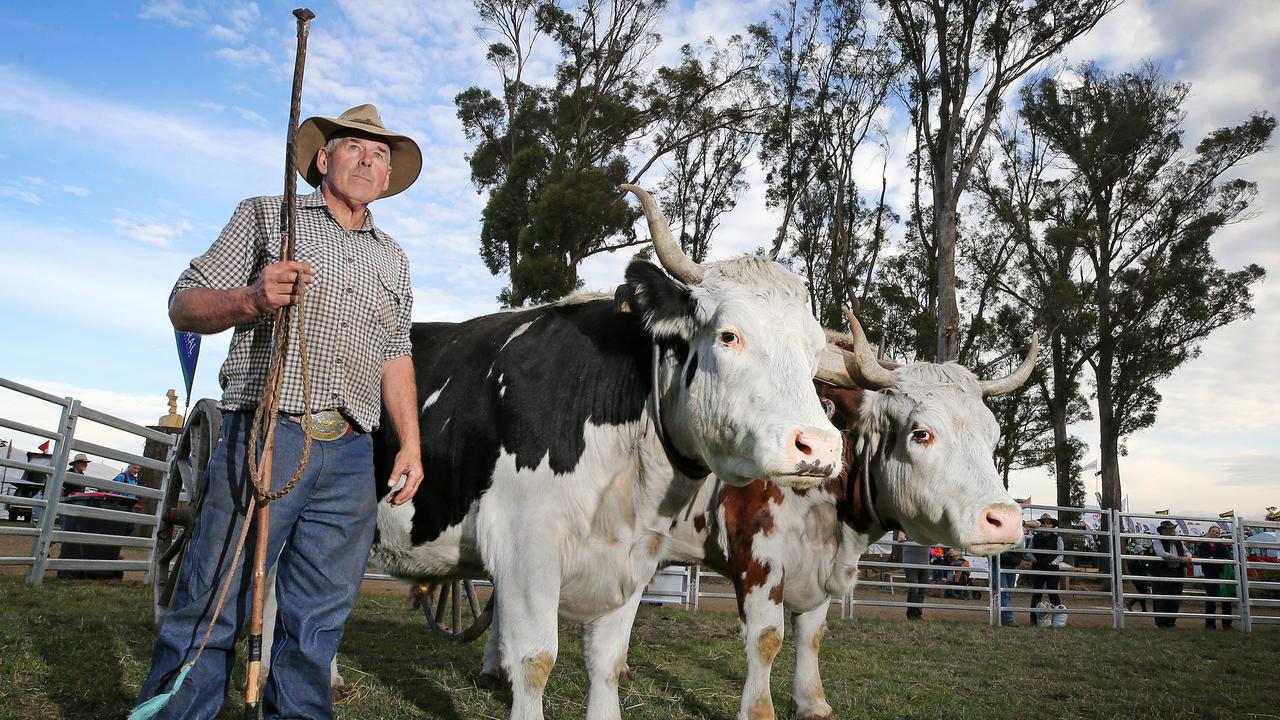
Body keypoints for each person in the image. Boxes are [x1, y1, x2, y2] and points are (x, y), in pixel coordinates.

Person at [135, 104, 426, 720]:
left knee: (317, 623)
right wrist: (252, 296)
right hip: (270, 431)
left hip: (351, 453)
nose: (369, 161)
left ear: (387, 176)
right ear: (324, 159)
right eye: (354, 147)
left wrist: (411, 442)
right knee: (214, 600)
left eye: (380, 155)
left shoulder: (393, 258)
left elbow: (395, 352)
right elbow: (182, 304)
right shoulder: (270, 215)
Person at [1150, 520, 1193, 628]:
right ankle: (1161, 623)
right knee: (1160, 598)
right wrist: (1180, 558)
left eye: (1172, 529)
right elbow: (1161, 553)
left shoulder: (1178, 541)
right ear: (1164, 531)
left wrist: (1188, 557)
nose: (1172, 531)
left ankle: (1171, 622)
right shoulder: (1158, 539)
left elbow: (1187, 551)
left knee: (1175, 598)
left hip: (1176, 571)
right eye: (1169, 529)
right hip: (1161, 572)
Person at [998, 517, 1040, 626]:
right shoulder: (1001, 524)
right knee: (1004, 591)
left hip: (1012, 562)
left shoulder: (1019, 524)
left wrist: (1022, 523)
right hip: (998, 561)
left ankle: (1003, 614)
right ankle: (1008, 619)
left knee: (1008, 591)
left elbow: (1037, 524)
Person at [1194, 525, 1235, 630]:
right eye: (1213, 531)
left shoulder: (1222, 546)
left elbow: (1228, 557)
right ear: (1208, 532)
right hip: (1210, 574)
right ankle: (1210, 624)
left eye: (1217, 532)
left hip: (1222, 574)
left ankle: (1227, 624)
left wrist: (1213, 558)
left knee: (1226, 599)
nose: (1214, 533)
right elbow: (1202, 557)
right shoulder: (1203, 546)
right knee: (1211, 599)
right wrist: (1216, 559)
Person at [1026, 514, 1064, 626]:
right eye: (1043, 523)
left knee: (1053, 593)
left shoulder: (1057, 538)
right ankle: (1034, 621)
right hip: (1038, 567)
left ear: (1052, 526)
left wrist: (1054, 562)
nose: (1046, 525)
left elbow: (1061, 554)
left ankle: (1058, 621)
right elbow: (1028, 551)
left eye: (1048, 523)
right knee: (1036, 594)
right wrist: (1034, 559)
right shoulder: (1035, 537)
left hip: (1052, 568)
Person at [900, 532, 930, 620]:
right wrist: (902, 537)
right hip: (910, 563)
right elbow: (901, 534)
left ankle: (918, 614)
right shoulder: (908, 524)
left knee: (922, 590)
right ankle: (911, 614)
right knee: (913, 588)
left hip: (925, 563)